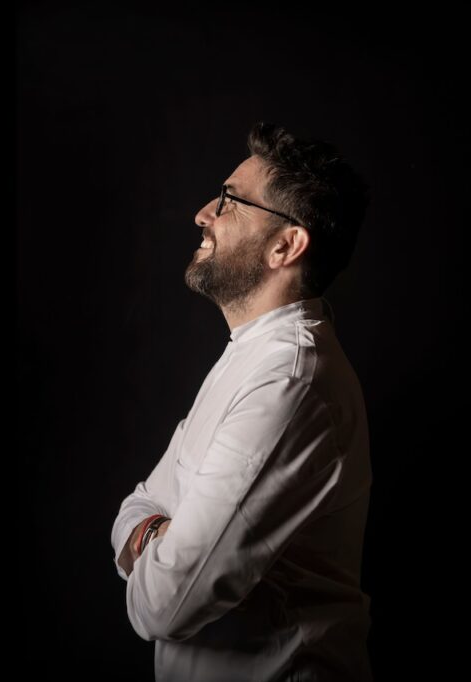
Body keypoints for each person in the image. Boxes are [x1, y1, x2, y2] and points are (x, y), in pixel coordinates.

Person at [110, 122, 373, 681]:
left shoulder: (287, 384)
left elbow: (161, 603)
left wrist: (154, 538)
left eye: (230, 200)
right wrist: (160, 534)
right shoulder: (251, 355)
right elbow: (137, 505)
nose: (204, 213)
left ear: (286, 245)